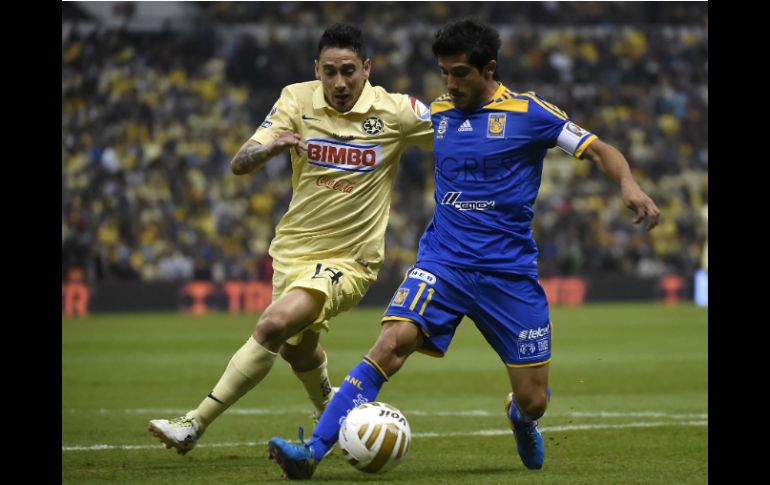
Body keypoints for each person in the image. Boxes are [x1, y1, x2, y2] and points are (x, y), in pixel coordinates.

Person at [267, 17, 660, 478]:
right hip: (444, 263)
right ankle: (312, 451)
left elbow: (598, 149)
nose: (449, 84)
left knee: (534, 399)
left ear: (488, 69)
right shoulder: (438, 113)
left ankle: (519, 417)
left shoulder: (531, 113)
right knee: (390, 344)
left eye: (459, 74)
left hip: (507, 274)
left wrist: (629, 185)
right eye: (444, 73)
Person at [147, 23, 433, 455]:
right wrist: (270, 148)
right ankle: (333, 419)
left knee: (273, 325)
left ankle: (193, 423)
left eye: (349, 71)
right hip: (293, 252)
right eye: (330, 71)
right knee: (299, 353)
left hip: (350, 261)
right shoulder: (295, 100)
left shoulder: (396, 111)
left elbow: (457, 130)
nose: (339, 83)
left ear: (367, 69)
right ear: (316, 69)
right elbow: (240, 164)